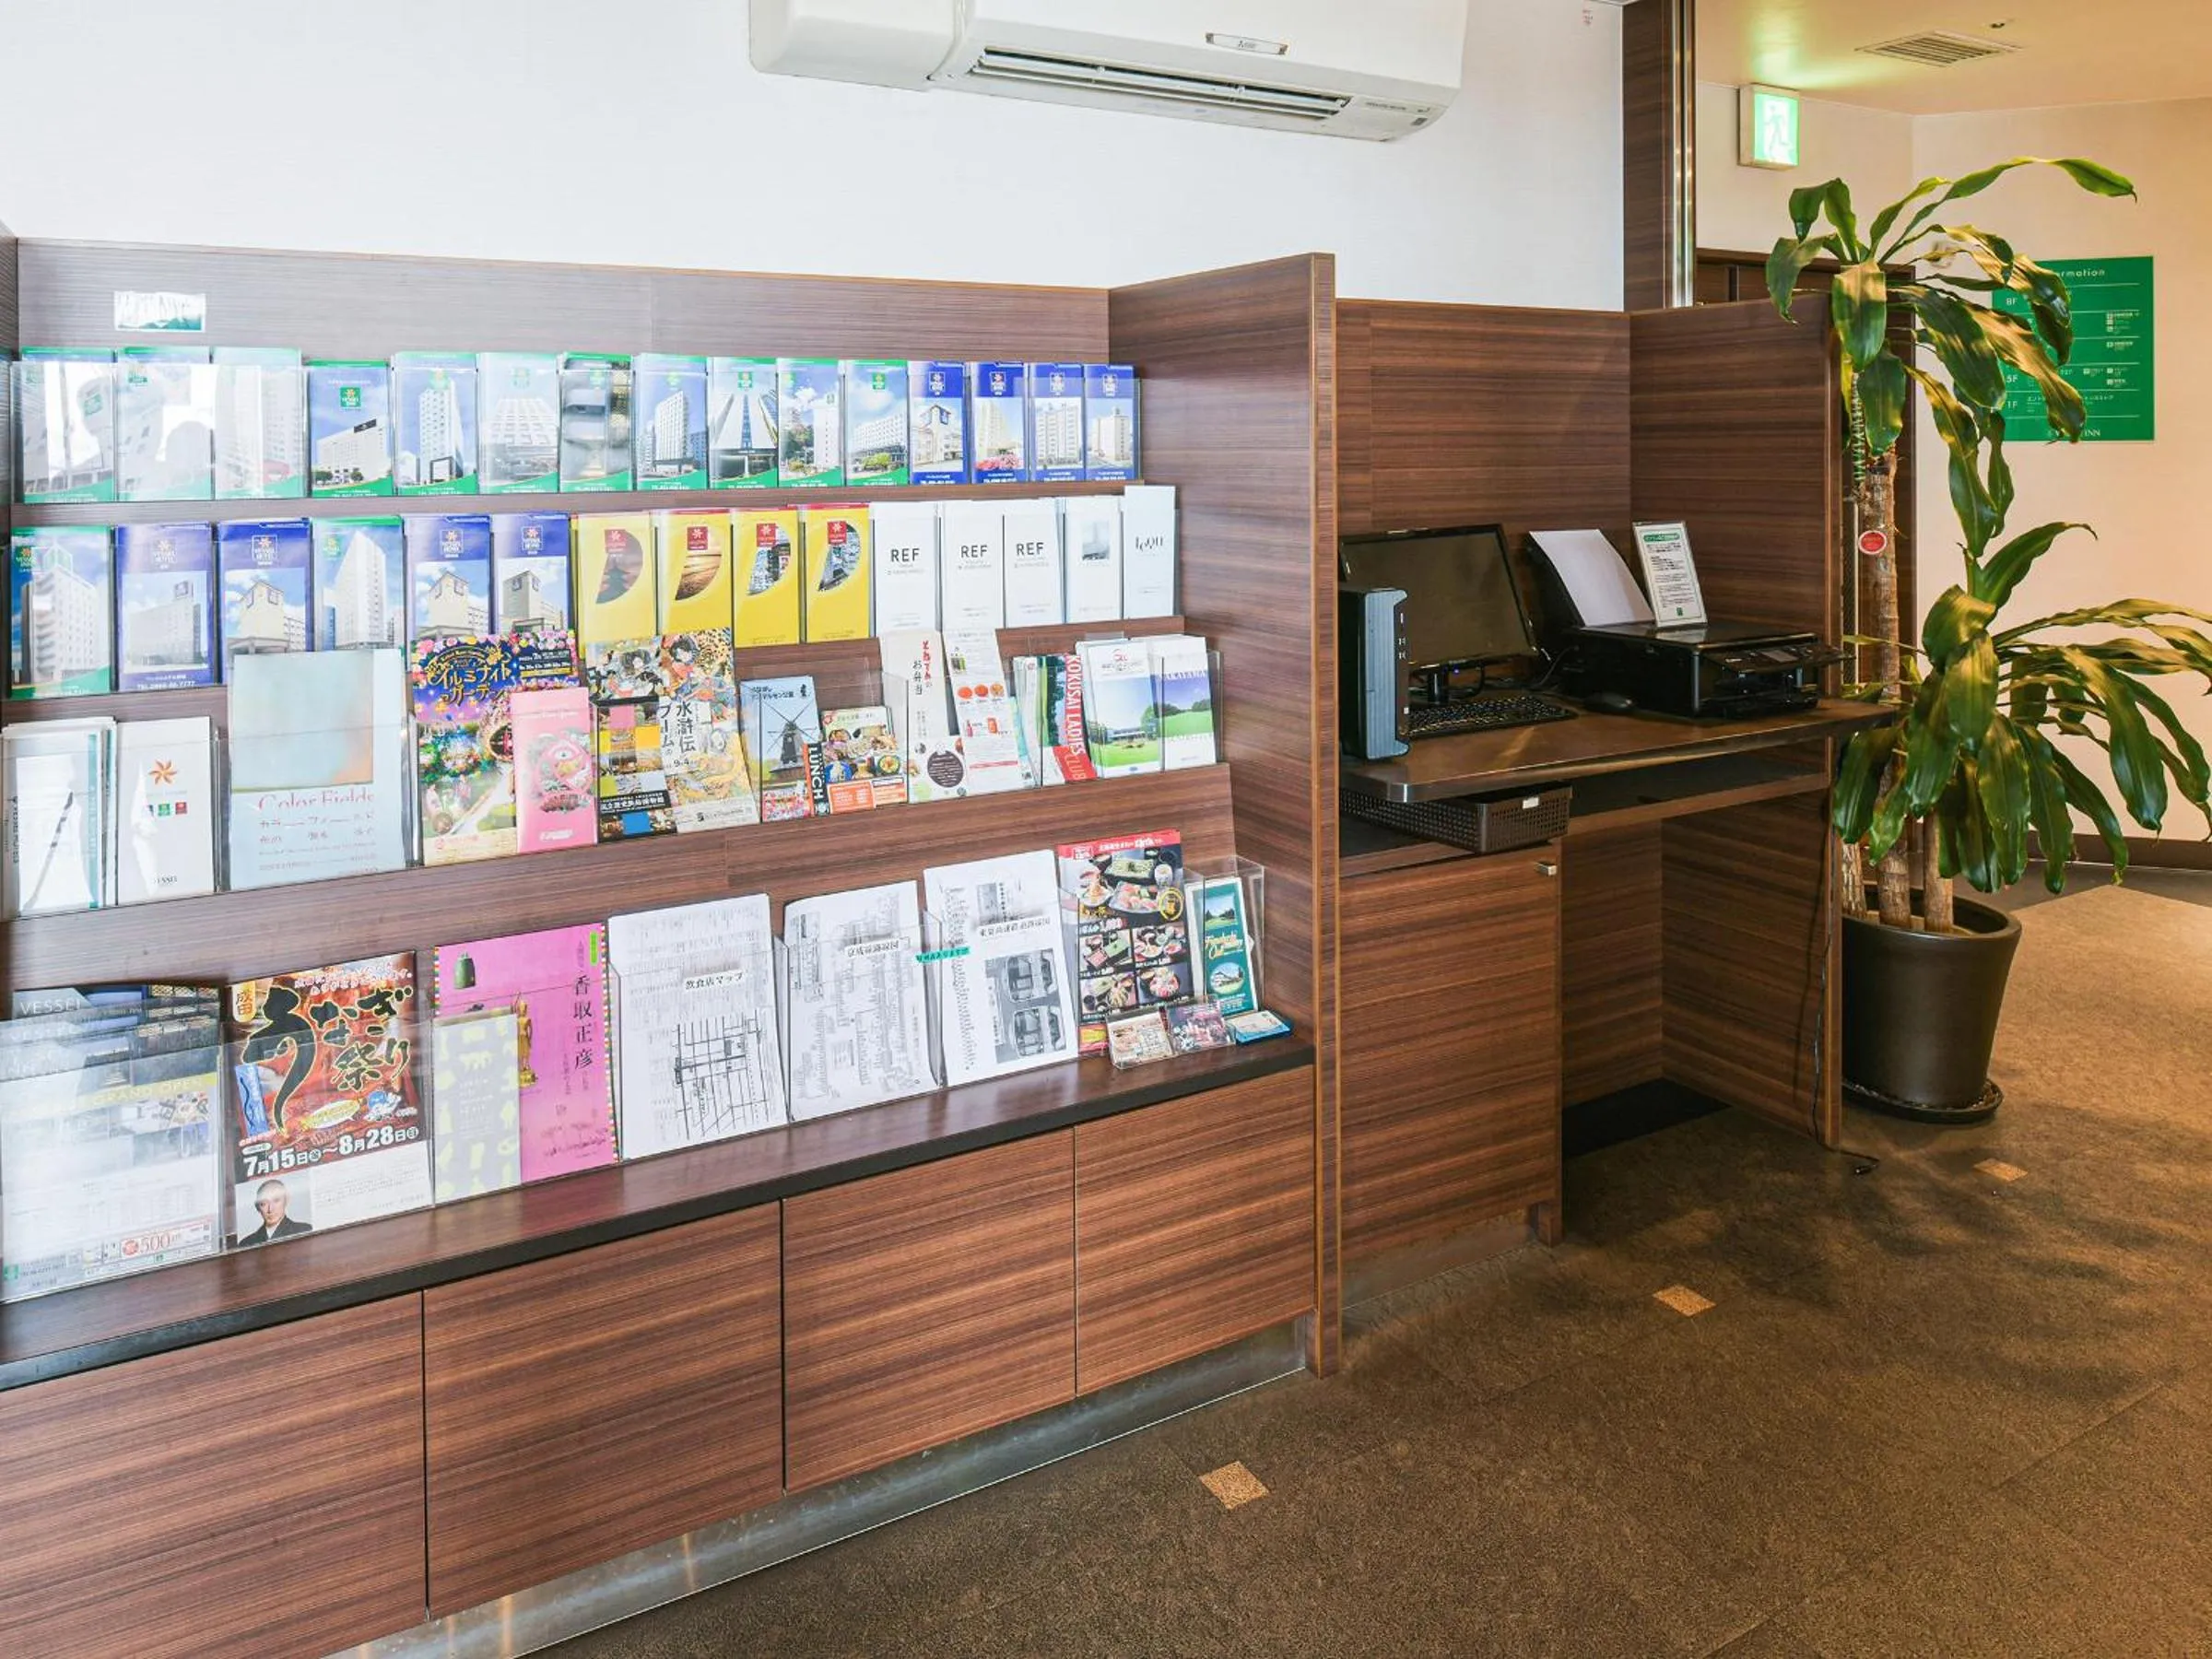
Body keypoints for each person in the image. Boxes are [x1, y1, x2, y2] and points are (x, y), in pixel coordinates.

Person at [236, 1179, 312, 1246]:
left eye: (276, 1201)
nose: (270, 1209)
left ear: (286, 1200)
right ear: (258, 1207)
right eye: (263, 1204)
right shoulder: (246, 1243)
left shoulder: (304, 1230)